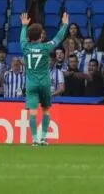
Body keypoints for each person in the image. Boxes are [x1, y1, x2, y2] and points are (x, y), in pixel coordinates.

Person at [20, 11, 70, 146]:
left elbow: (22, 39)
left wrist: (24, 26)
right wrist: (65, 25)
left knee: (32, 113)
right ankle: (43, 138)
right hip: (44, 83)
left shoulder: (25, 47)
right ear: (40, 36)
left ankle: (35, 140)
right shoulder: (45, 47)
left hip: (31, 84)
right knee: (46, 110)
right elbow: (58, 38)